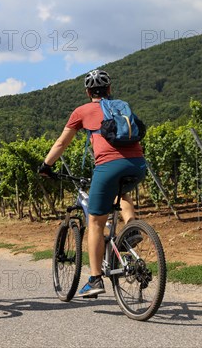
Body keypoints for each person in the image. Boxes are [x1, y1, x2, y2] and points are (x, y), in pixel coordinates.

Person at [38, 69, 146, 298]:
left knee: (96, 222)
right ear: (109, 90)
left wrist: (46, 166)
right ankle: (131, 228)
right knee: (122, 195)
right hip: (137, 165)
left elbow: (61, 143)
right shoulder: (121, 105)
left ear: (88, 92)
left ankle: (95, 279)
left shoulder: (81, 111)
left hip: (108, 167)